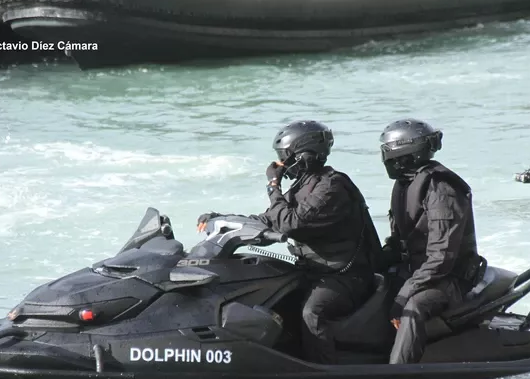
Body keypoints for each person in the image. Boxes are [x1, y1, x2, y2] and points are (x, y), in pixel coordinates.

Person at [197, 120, 381, 364]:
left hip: (347, 276)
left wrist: (273, 185)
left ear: (303, 155)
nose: (281, 164)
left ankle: (325, 373)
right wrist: (222, 219)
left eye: (285, 157)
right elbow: (268, 219)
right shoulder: (303, 186)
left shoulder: (332, 186)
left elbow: (291, 223)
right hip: (313, 271)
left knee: (312, 312)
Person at [378, 118, 486, 364]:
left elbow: (441, 257)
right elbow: (399, 242)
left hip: (448, 279)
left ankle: (399, 374)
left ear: (403, 152)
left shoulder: (440, 188)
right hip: (419, 272)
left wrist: (404, 294)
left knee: (412, 307)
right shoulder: (405, 184)